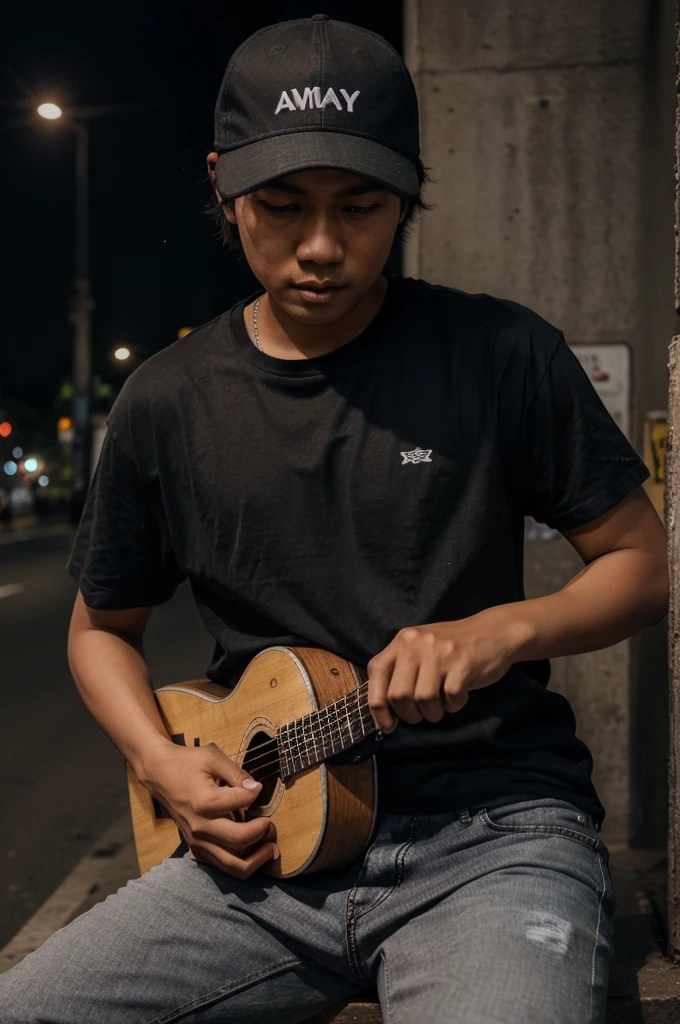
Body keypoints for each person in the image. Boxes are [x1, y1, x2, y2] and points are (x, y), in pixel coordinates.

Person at [0, 14, 668, 1024]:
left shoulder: (500, 353)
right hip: (264, 861)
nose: (320, 246)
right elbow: (101, 627)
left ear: (405, 194)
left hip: (490, 838)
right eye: (281, 205)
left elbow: (637, 560)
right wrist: (160, 760)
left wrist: (503, 629)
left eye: (360, 206)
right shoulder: (166, 402)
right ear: (224, 189)